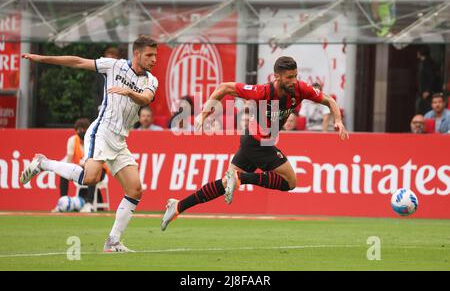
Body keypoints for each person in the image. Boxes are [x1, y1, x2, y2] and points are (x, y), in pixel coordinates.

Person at [161, 56, 349, 230]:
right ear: (277, 77)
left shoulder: (300, 89)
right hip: (258, 143)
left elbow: (329, 100)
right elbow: (224, 87)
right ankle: (242, 178)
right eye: (289, 77)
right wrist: (203, 113)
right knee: (290, 182)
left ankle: (178, 206)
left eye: (295, 76)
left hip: (252, 142)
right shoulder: (263, 91)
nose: (293, 81)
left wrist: (338, 120)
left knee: (226, 183)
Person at [20, 35, 159, 252]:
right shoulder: (114, 66)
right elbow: (77, 61)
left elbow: (145, 99)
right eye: (149, 55)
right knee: (90, 177)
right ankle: (42, 164)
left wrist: (129, 92)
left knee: (135, 189)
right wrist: (42, 58)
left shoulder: (151, 80)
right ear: (137, 54)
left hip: (120, 140)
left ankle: (113, 241)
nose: (153, 59)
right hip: (102, 131)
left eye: (155, 55)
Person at [51, 118, 104, 213]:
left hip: (98, 170)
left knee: (91, 173)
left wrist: (86, 164)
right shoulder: (72, 141)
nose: (82, 132)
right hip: (80, 169)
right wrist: (72, 168)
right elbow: (69, 160)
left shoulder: (95, 140)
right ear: (76, 131)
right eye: (79, 130)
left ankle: (89, 204)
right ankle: (63, 203)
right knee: (63, 174)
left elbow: (97, 161)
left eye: (84, 129)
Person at [416, 46, 442, 115]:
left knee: (424, 110)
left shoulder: (426, 63)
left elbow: (431, 77)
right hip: (425, 91)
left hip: (426, 93)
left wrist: (427, 90)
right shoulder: (426, 62)